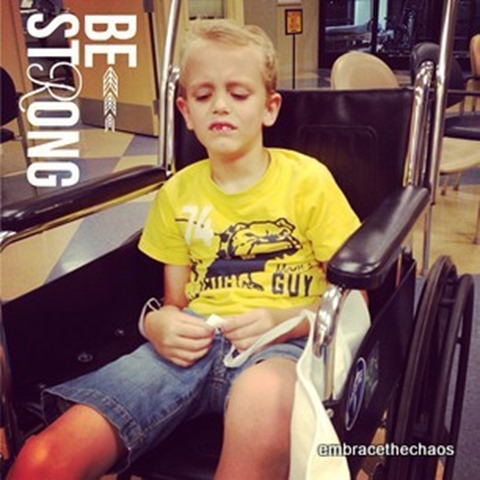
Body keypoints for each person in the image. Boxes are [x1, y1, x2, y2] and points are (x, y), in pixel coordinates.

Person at [7, 19, 360, 480]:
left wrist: (291, 319)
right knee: (41, 460)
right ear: (186, 111)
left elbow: (354, 296)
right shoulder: (177, 194)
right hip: (195, 341)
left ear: (269, 107)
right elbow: (175, 303)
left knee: (262, 397)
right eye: (203, 95)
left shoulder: (307, 181)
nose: (220, 105)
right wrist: (154, 323)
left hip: (282, 343)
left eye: (239, 94)